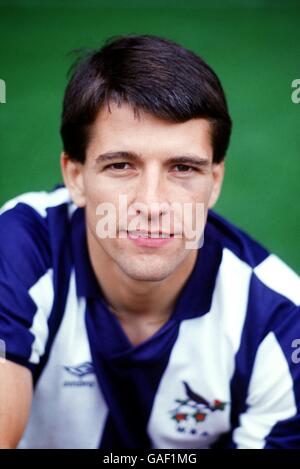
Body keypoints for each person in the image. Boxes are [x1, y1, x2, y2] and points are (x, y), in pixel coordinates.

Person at [0, 34, 299, 450]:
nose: (153, 204)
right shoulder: (17, 250)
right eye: (121, 165)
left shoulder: (279, 322)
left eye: (182, 168)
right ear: (75, 177)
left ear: (214, 181)